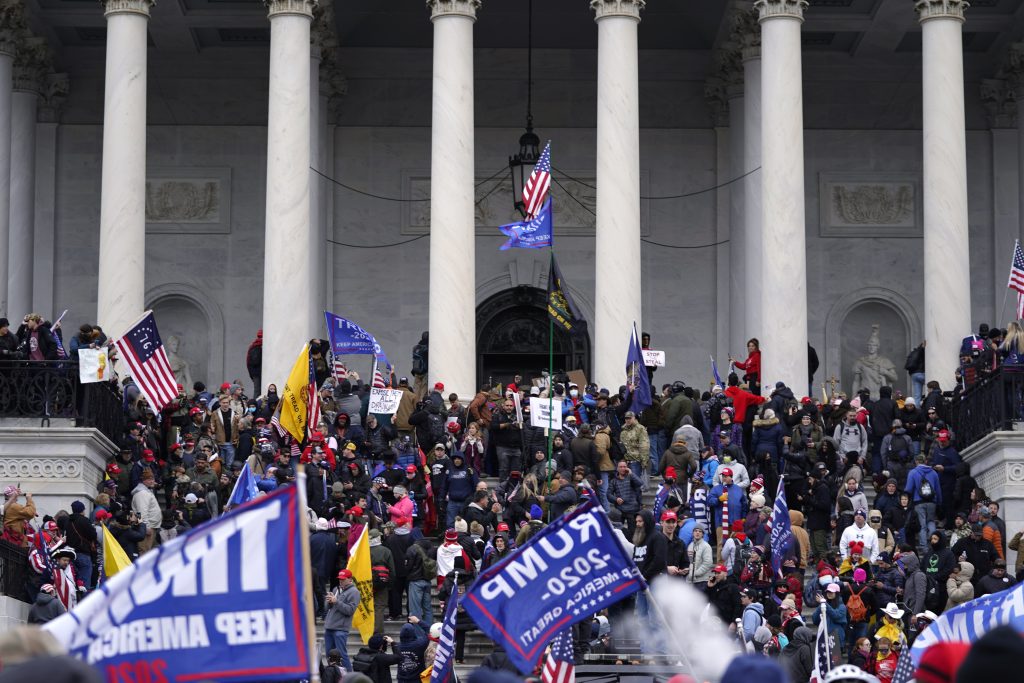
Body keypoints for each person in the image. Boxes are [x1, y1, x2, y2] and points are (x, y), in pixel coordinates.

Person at [325, 568, 361, 671]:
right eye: (340, 579)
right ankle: (332, 675)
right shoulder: (336, 589)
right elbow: (328, 609)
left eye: (343, 579)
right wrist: (328, 601)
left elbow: (350, 610)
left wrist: (336, 602)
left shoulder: (354, 592)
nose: (340, 581)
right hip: (330, 626)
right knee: (329, 655)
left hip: (340, 629)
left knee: (341, 655)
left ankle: (349, 677)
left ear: (350, 580)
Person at [904, 453, 941, 550]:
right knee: (931, 522)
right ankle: (934, 544)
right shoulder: (933, 473)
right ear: (926, 461)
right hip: (932, 502)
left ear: (916, 461)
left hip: (919, 502)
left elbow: (908, 489)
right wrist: (939, 502)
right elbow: (938, 490)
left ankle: (924, 546)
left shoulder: (913, 472)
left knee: (922, 524)